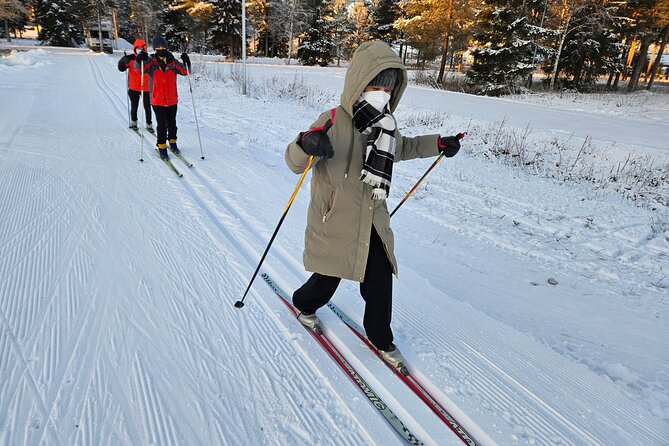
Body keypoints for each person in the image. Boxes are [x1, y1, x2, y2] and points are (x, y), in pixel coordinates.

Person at [284, 41, 462, 370]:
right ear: (358, 82)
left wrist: (437, 143)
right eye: (375, 84)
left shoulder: (386, 126)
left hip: (371, 219)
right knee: (326, 280)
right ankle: (303, 303)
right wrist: (306, 143)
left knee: (379, 281)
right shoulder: (332, 119)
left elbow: (403, 148)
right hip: (335, 219)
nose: (381, 92)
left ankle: (380, 337)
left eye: (388, 87)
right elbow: (295, 161)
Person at [135, 34, 191, 160]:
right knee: (162, 125)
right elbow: (139, 71)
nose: (161, 49)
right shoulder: (151, 63)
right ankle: (161, 146)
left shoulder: (172, 62)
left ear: (166, 47)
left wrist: (187, 62)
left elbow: (185, 71)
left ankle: (172, 142)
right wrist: (139, 60)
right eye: (158, 47)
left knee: (172, 124)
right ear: (155, 49)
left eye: (163, 46)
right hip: (157, 100)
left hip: (172, 99)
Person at [118, 39, 153, 132]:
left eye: (142, 49)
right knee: (134, 106)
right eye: (137, 48)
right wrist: (122, 62)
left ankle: (149, 124)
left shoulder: (148, 59)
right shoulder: (130, 58)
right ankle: (134, 122)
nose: (139, 50)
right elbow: (121, 69)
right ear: (134, 49)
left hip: (146, 88)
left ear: (144, 49)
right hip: (133, 87)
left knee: (148, 107)